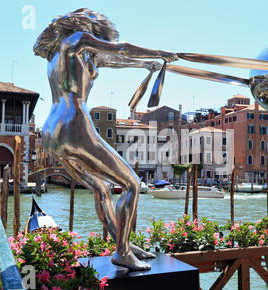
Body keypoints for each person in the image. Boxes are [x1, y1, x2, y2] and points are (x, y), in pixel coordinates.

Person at [34, 8, 178, 270]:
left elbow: (112, 58)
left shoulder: (59, 53)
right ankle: (122, 251)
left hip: (51, 130)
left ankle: (123, 245)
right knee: (132, 184)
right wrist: (158, 53)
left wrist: (144, 65)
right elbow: (120, 48)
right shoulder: (77, 38)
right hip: (74, 123)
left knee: (102, 189)